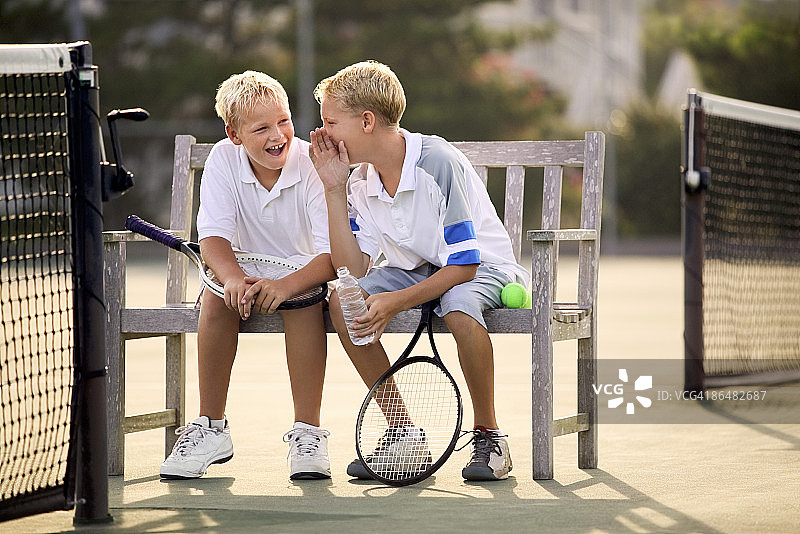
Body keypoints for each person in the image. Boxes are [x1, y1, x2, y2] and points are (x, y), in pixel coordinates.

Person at [308, 61, 529, 481]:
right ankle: (403, 431)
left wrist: (395, 301)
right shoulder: (357, 180)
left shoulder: (438, 163)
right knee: (342, 300)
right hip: (420, 269)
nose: (322, 134)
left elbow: (464, 265)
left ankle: (490, 436)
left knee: (459, 310)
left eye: (331, 122)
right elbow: (351, 269)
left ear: (367, 121)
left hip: (482, 266)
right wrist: (334, 190)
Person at [159, 71, 335, 481]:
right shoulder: (222, 158)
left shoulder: (312, 163)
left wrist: (288, 285)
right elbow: (214, 238)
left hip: (303, 276)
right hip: (243, 272)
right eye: (262, 128)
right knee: (218, 299)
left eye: (284, 121)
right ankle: (210, 427)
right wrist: (234, 279)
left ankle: (308, 432)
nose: (278, 135)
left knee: (303, 306)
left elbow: (331, 254)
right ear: (235, 135)